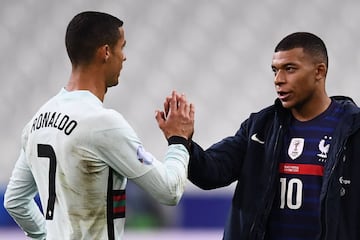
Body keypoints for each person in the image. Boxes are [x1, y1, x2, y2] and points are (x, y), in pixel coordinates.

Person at [4, 11, 194, 240]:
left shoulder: (37, 122)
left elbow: (15, 201)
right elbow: (169, 190)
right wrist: (178, 140)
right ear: (105, 52)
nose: (124, 57)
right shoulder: (102, 124)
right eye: (122, 47)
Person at [177, 32, 360, 239]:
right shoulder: (260, 127)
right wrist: (183, 142)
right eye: (275, 70)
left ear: (319, 71)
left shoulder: (353, 130)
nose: (278, 80)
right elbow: (211, 172)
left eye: (289, 69)